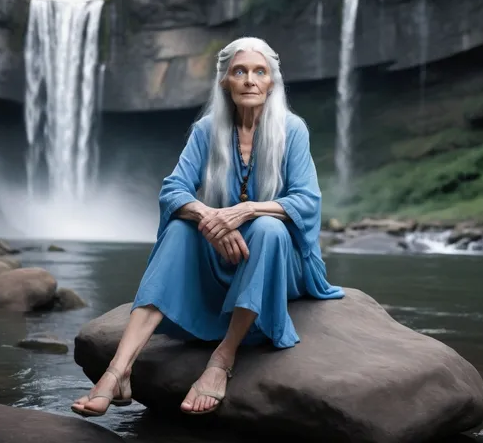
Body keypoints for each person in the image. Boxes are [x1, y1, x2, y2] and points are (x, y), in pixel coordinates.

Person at [71, 36, 345, 418]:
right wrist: (208, 216)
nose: (250, 80)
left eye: (259, 72)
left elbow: (306, 201)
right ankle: (119, 370)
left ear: (272, 82)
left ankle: (222, 359)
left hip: (281, 261)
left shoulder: (292, 129)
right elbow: (173, 190)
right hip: (225, 250)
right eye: (240, 71)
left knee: (269, 229)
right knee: (181, 229)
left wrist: (246, 211)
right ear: (225, 82)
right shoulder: (206, 130)